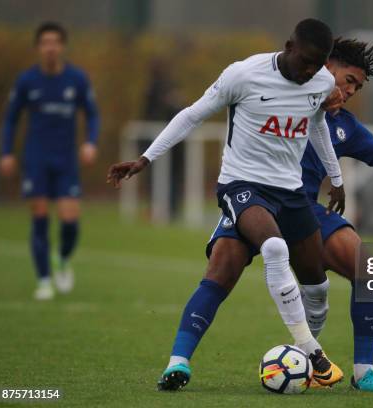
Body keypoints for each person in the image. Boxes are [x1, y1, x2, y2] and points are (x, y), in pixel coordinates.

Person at [168, 38, 373, 393]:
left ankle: (364, 373)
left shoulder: (344, 127)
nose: (350, 91)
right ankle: (178, 362)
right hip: (252, 199)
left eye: (357, 87)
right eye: (348, 80)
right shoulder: (278, 91)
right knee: (220, 272)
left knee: (367, 267)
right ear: (325, 66)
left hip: (302, 211)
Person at [107, 18, 346, 390]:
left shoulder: (322, 82)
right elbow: (191, 115)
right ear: (288, 46)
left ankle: (306, 365)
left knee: (316, 285)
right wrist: (146, 158)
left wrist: (337, 176)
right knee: (273, 247)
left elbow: (316, 124)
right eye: (305, 62)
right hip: (242, 185)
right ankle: (309, 351)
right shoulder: (243, 75)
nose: (310, 72)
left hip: (291, 192)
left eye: (318, 65)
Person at [0, 22, 100, 300]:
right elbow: (11, 119)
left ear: (63, 46)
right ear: (38, 47)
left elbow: (92, 114)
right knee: (40, 218)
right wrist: (6, 152)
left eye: (55, 42)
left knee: (70, 222)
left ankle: (63, 258)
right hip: (36, 159)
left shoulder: (76, 79)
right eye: (45, 42)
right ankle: (43, 280)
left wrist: (90, 142)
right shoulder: (27, 81)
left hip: (66, 161)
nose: (51, 47)